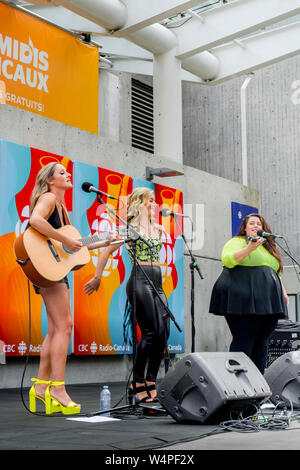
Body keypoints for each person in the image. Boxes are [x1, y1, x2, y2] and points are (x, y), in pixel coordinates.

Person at [28, 162, 114, 415]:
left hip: (52, 268)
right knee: (65, 326)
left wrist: (105, 241)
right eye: (62, 173)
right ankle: (58, 388)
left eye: (68, 172)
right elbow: (35, 220)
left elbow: (74, 248)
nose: (68, 175)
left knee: (56, 328)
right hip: (47, 269)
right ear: (50, 180)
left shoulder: (63, 207)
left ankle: (41, 388)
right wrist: (64, 238)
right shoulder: (48, 197)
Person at [84, 187, 170, 403]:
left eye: (154, 200)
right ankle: (138, 382)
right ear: (139, 203)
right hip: (139, 279)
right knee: (150, 332)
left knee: (164, 332)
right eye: (150, 200)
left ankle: (151, 380)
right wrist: (97, 277)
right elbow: (106, 250)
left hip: (157, 281)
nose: (155, 204)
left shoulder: (158, 229)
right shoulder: (130, 229)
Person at [209, 213, 289, 375]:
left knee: (262, 341)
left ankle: (257, 387)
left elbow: (275, 271)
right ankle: (237, 384)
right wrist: (249, 248)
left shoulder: (268, 246)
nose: (255, 226)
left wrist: (283, 292)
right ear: (244, 228)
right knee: (244, 338)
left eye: (258, 224)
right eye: (251, 223)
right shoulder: (237, 242)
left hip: (267, 298)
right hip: (242, 296)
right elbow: (228, 260)